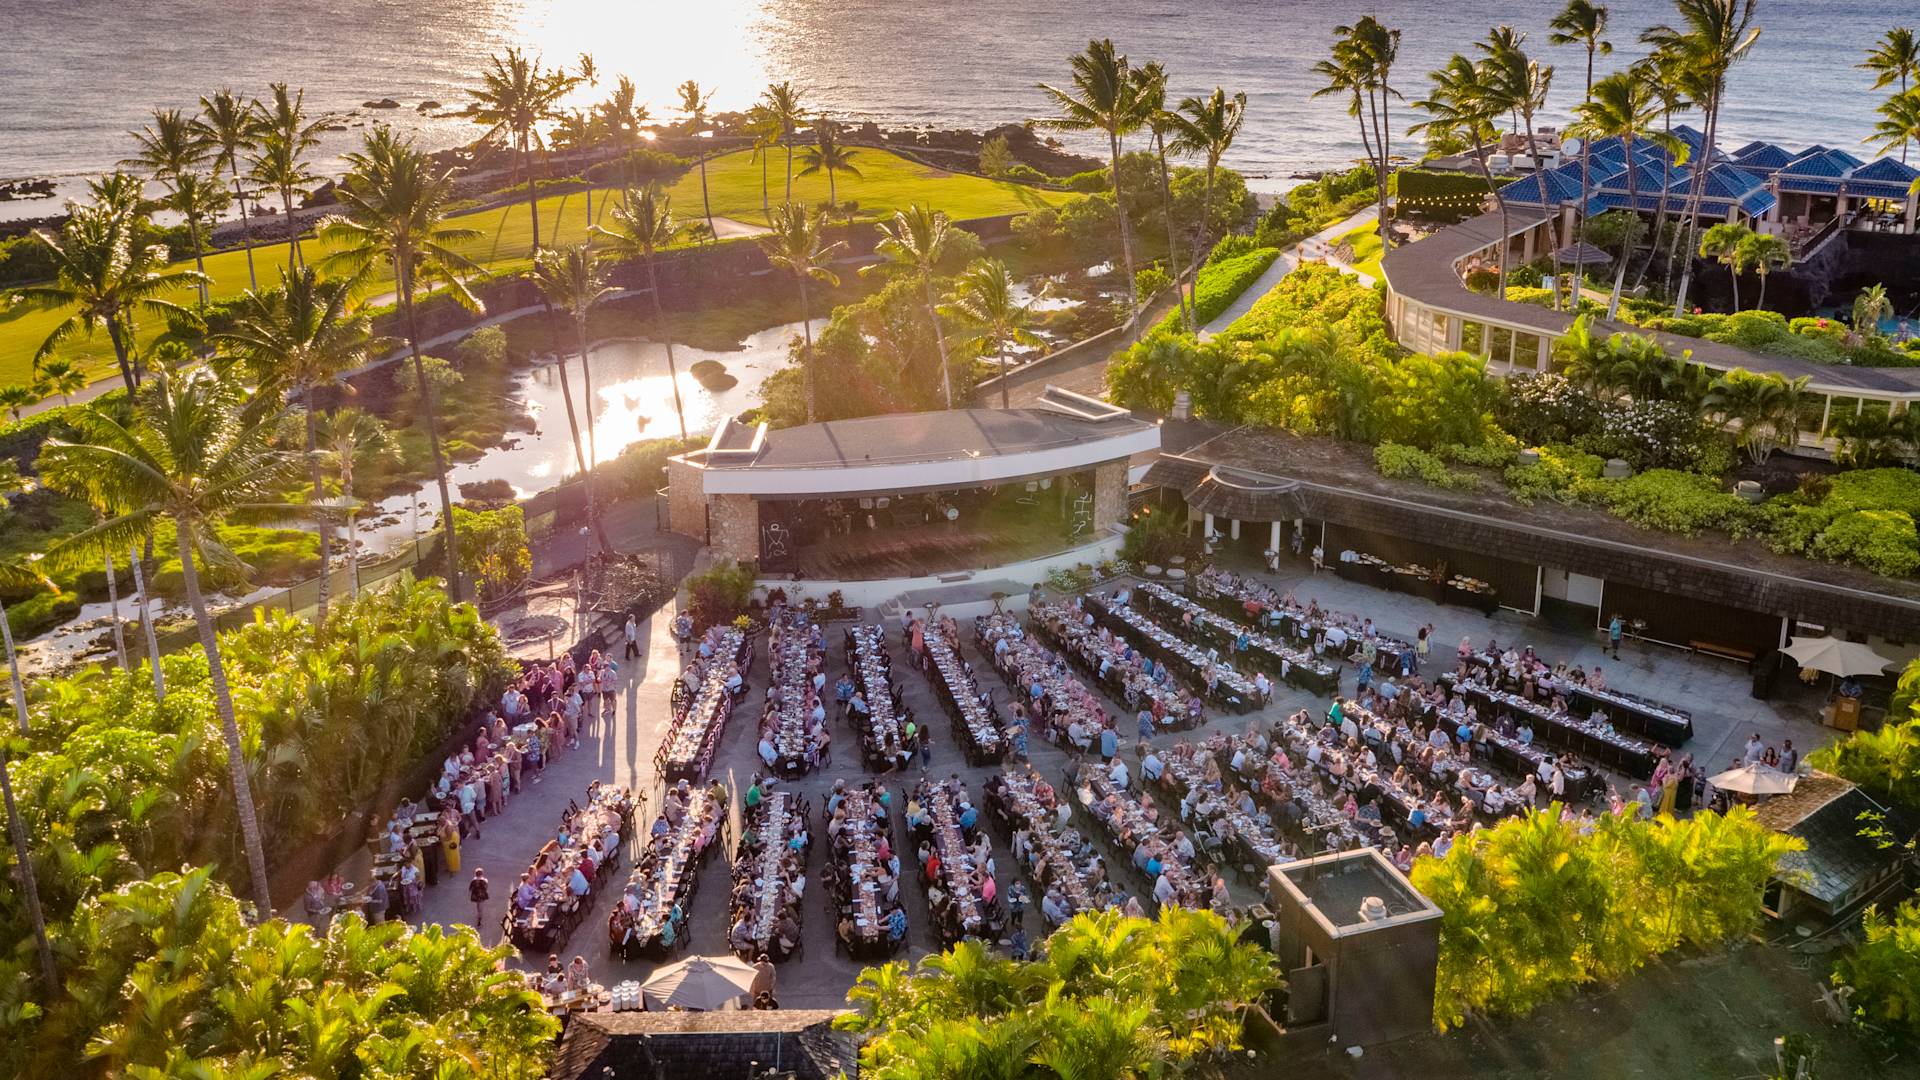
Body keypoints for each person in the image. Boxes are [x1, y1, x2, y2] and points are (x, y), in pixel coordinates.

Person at [468, 868, 491, 936]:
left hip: (475, 896)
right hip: (482, 896)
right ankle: (479, 921)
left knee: (478, 905)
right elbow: (486, 887)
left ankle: (478, 913)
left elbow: (470, 889)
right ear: (482, 874)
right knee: (481, 908)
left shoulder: (473, 881)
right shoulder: (484, 881)